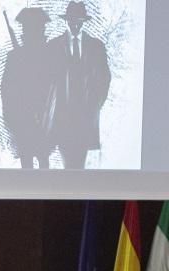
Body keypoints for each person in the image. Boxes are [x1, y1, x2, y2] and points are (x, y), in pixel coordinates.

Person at [49, 2, 111, 169]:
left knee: (79, 170)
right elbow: (47, 81)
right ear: (66, 21)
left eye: (79, 20)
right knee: (68, 171)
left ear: (84, 21)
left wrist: (94, 106)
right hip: (61, 120)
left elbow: (104, 80)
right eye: (71, 20)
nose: (75, 24)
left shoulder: (97, 47)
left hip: (85, 119)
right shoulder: (53, 47)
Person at [1, 7, 56, 169]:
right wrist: (14, 116)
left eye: (36, 27)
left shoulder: (49, 57)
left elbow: (55, 86)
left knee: (43, 163)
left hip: (44, 120)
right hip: (23, 121)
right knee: (27, 165)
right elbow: (6, 90)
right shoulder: (14, 57)